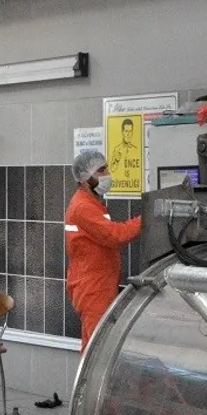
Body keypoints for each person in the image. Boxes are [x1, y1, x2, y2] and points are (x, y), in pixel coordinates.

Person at [65, 150, 141, 351]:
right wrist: (146, 219)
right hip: (93, 289)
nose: (107, 174)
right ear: (85, 178)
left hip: (97, 285)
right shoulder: (83, 207)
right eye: (101, 171)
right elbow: (115, 235)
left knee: (92, 348)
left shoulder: (92, 203)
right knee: (98, 349)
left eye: (106, 169)